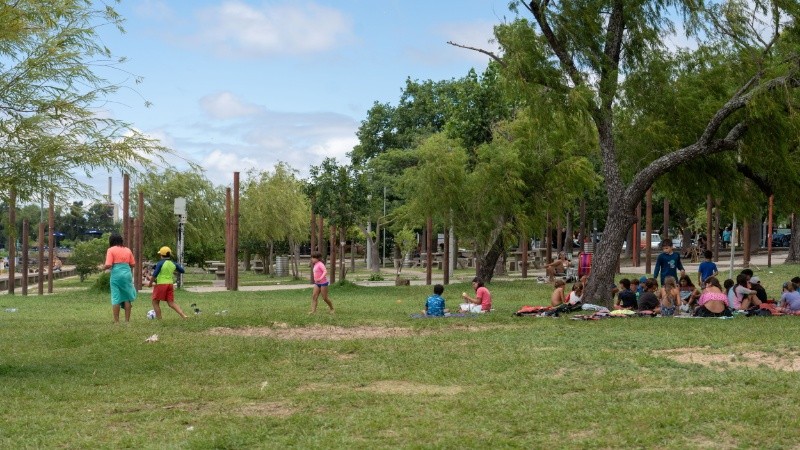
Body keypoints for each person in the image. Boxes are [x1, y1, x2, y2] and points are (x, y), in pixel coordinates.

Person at [103, 234, 137, 323]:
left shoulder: (110, 250)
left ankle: (117, 321)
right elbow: (133, 264)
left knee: (116, 297)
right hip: (127, 274)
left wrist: (102, 268)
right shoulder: (128, 250)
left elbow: (108, 264)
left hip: (116, 275)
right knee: (126, 297)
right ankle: (127, 321)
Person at [148, 246, 188, 319]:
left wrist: (150, 283)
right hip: (170, 284)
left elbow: (155, 274)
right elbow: (182, 270)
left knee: (155, 302)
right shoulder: (173, 263)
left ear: (161, 255)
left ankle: (159, 319)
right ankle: (183, 315)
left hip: (161, 284)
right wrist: (173, 268)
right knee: (171, 303)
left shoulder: (160, 263)